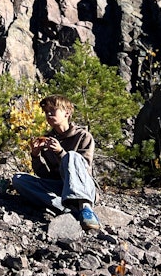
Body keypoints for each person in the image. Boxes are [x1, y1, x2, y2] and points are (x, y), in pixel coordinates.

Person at [11, 94, 101, 230]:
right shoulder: (48, 139)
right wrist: (35, 156)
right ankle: (65, 208)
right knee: (18, 179)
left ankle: (85, 208)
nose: (48, 114)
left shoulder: (83, 136)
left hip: (83, 187)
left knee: (72, 156)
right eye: (46, 112)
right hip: (59, 186)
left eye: (52, 110)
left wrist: (60, 152)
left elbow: (84, 169)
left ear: (67, 113)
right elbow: (45, 175)